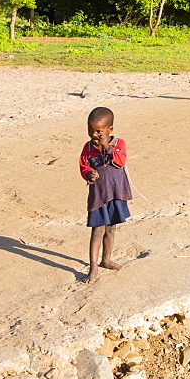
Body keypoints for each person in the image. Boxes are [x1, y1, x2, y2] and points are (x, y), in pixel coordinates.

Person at [78, 106, 132, 283]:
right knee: (97, 231)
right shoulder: (88, 147)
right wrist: (88, 173)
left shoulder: (119, 144)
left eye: (98, 131)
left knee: (111, 228)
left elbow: (121, 161)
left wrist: (107, 146)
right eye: (90, 130)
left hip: (116, 194)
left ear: (110, 129)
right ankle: (93, 268)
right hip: (99, 195)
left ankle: (106, 260)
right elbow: (83, 165)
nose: (94, 135)